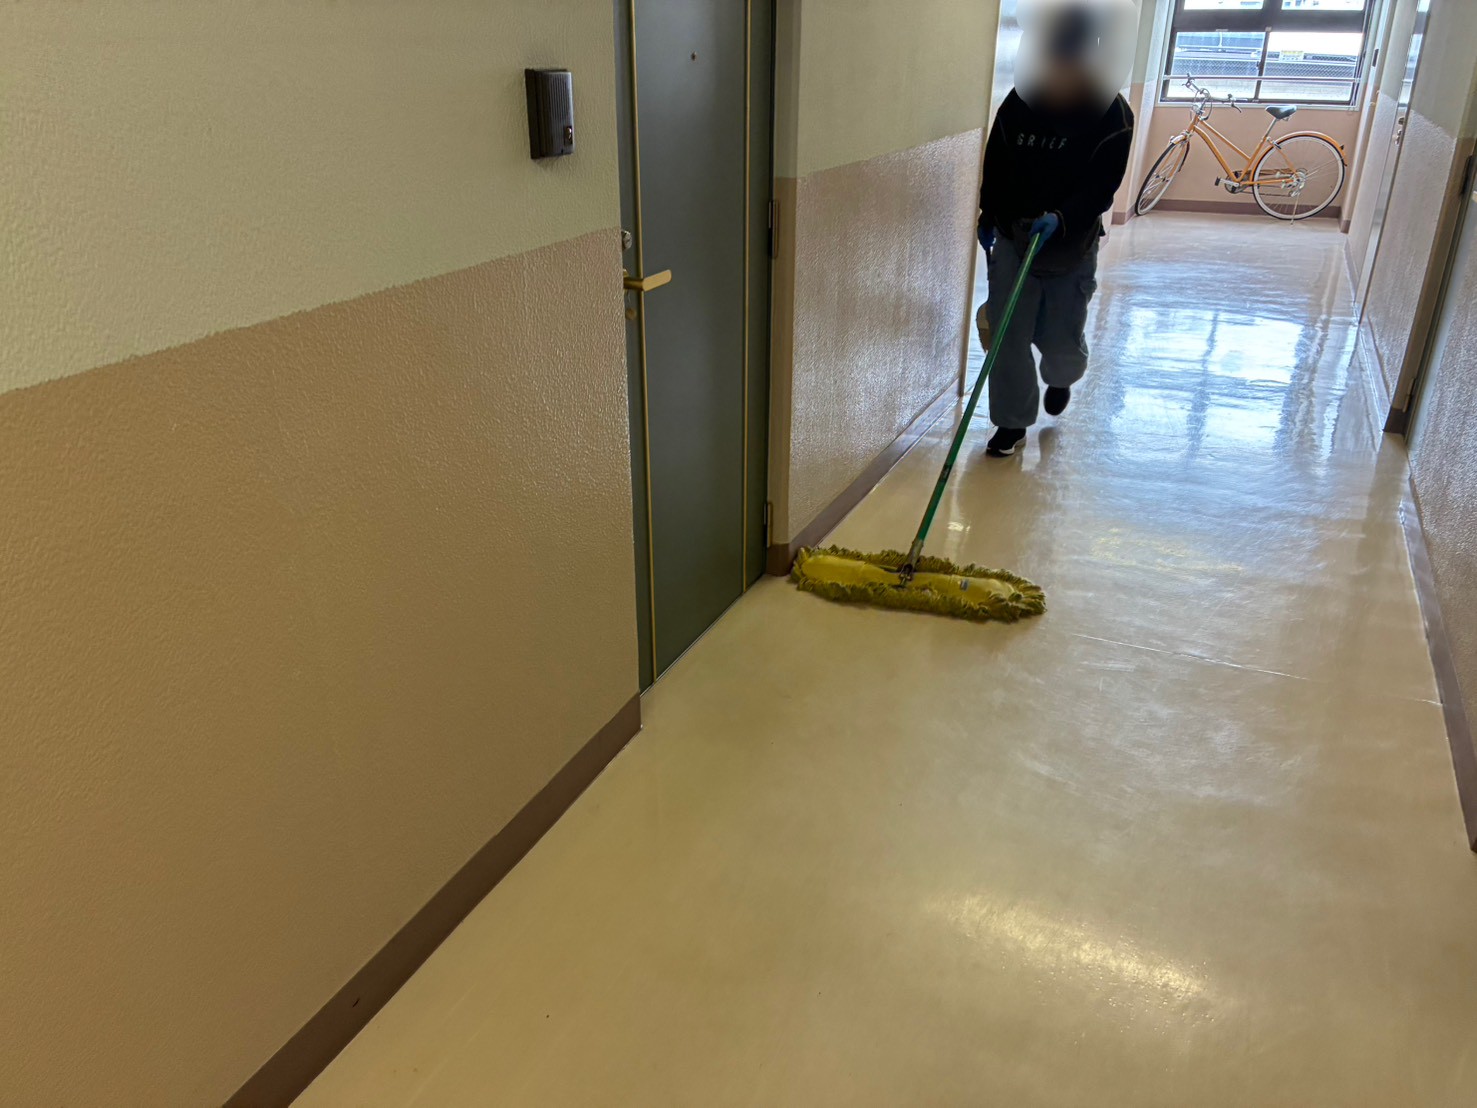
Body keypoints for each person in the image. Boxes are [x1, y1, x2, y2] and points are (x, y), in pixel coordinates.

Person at [978, 4, 1136, 457]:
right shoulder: (1021, 102)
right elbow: (997, 163)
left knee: (1060, 339)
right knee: (1008, 335)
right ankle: (1011, 423)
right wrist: (989, 214)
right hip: (1016, 235)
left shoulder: (1112, 115)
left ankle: (1062, 377)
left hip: (1071, 242)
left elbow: (1101, 187)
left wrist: (1064, 218)